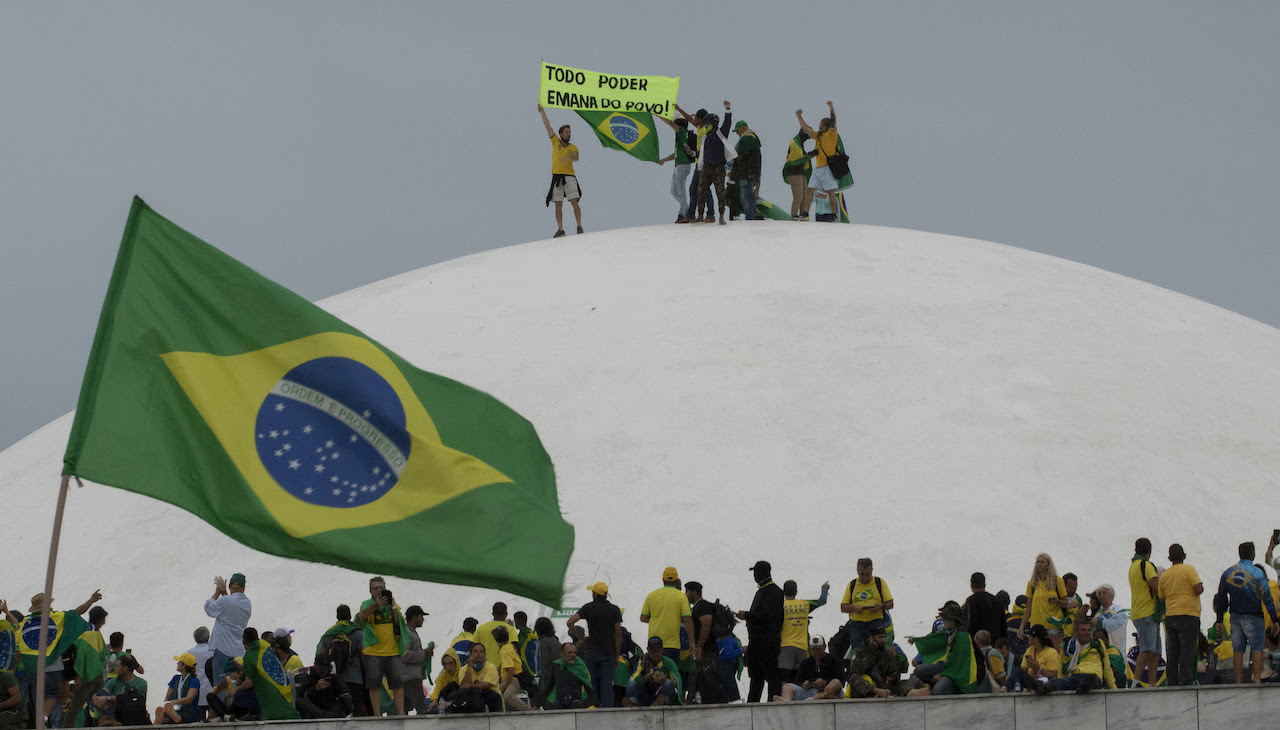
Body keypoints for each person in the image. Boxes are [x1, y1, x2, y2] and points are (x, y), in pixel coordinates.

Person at [18, 589, 100, 727]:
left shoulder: (26, 621)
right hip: (52, 665)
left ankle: (34, 721)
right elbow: (77, 612)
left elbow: (17, 633)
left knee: (36, 696)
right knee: (52, 693)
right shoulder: (56, 617)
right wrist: (91, 600)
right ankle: (42, 719)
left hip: (33, 667)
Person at [1214, 540, 1280, 684]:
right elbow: (1267, 598)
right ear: (1253, 555)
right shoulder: (1257, 573)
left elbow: (1221, 598)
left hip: (1235, 616)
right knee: (1257, 647)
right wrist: (1274, 620)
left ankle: (1238, 681)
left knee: (1238, 649)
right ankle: (1257, 678)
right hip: (1254, 616)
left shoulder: (1228, 573)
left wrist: (1219, 620)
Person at [907, 602, 985, 695]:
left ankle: (955, 690)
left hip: (959, 673)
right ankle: (934, 684)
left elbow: (958, 662)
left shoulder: (962, 636)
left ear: (953, 620)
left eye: (945, 619)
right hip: (947, 667)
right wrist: (915, 639)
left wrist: (943, 674)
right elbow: (933, 640)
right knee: (919, 670)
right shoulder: (950, 633)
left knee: (938, 690)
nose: (943, 620)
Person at [358, 576, 408, 715]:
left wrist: (392, 606)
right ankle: (377, 715)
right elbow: (361, 617)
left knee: (398, 684)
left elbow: (400, 623)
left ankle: (401, 713)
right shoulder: (367, 603)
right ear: (370, 590)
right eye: (376, 588)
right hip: (373, 650)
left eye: (382, 588)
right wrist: (376, 606)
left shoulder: (393, 604)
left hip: (392, 650)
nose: (380, 590)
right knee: (374, 685)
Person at [567, 581, 621, 707]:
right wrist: (617, 655)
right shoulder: (614, 610)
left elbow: (570, 622)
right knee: (607, 684)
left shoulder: (588, 607)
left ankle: (593, 708)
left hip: (592, 651)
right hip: (609, 652)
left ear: (595, 594)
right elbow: (618, 633)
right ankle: (607, 712)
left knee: (591, 683)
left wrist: (581, 637)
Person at [737, 560, 784, 703]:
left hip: (767, 641)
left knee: (771, 676)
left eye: (756, 572)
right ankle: (753, 704)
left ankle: (772, 704)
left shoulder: (774, 591)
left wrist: (747, 616)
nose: (755, 576)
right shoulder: (762, 590)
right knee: (756, 677)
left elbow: (766, 616)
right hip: (756, 641)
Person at [1158, 543, 1204, 686]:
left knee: (1172, 650)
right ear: (1184, 556)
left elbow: (1161, 598)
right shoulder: (1189, 569)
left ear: (1169, 558)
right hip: (1189, 614)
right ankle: (1186, 680)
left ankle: (1172, 680)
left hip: (1171, 616)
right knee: (1187, 649)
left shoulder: (1164, 575)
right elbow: (1199, 589)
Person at [1035, 616, 1117, 694]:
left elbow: (1107, 667)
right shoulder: (1067, 646)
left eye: (1089, 630)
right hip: (1074, 677)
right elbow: (1061, 668)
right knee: (1055, 682)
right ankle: (1040, 687)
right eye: (1084, 630)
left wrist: (1114, 689)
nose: (1087, 633)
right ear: (1076, 632)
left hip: (1094, 677)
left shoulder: (1097, 643)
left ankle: (1084, 686)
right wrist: (1059, 682)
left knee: (1090, 679)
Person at [60, 604, 110, 728]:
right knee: (76, 707)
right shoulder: (90, 633)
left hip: (92, 674)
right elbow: (82, 656)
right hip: (88, 676)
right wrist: (79, 676)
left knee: (99, 705)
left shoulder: (89, 630)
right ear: (101, 618)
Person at [537, 104, 582, 238]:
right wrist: (542, 111)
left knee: (574, 201)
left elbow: (576, 157)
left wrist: (566, 157)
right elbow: (547, 125)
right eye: (566, 132)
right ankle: (560, 229)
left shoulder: (573, 147)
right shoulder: (555, 142)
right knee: (558, 204)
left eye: (569, 132)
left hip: (569, 176)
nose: (569, 134)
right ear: (561, 134)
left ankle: (579, 226)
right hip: (557, 177)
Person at [203, 573, 250, 699]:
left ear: (229, 586)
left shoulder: (225, 601)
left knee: (222, 685)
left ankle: (222, 710)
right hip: (239, 652)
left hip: (223, 650)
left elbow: (209, 608)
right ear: (243, 588)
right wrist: (224, 594)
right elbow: (230, 607)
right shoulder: (247, 604)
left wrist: (218, 592)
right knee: (236, 682)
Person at [640, 568, 696, 671]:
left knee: (654, 675)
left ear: (663, 580)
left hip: (654, 642)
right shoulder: (681, 597)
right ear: (676, 581)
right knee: (671, 674)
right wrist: (692, 642)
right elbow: (687, 621)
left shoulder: (652, 596)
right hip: (672, 644)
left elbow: (643, 618)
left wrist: (657, 619)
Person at [839, 558, 895, 656]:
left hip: (876, 622)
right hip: (857, 624)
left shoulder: (879, 582)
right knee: (858, 652)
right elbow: (843, 607)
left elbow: (890, 604)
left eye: (868, 574)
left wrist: (880, 607)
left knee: (878, 652)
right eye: (862, 574)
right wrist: (853, 608)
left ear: (872, 571)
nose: (865, 578)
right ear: (857, 571)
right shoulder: (852, 584)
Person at [317, 604, 366, 715]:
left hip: (335, 679)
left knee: (339, 710)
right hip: (355, 677)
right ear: (350, 616)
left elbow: (322, 655)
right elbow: (364, 656)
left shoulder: (328, 634)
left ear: (337, 616)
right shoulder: (357, 633)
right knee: (356, 708)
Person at [692, 101, 734, 225]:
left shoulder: (720, 134)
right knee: (701, 190)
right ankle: (700, 215)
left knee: (720, 190)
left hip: (718, 167)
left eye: (707, 124)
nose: (705, 126)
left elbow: (727, 124)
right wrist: (694, 154)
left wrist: (728, 110)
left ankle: (721, 215)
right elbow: (702, 153)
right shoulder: (706, 138)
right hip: (706, 167)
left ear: (712, 124)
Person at [779, 580, 829, 683]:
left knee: (784, 681)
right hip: (802, 647)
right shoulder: (805, 604)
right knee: (799, 681)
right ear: (796, 592)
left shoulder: (780, 606)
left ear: (783, 592)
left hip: (785, 646)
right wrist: (824, 588)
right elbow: (822, 601)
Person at [1128, 537, 1163, 687]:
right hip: (1147, 612)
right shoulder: (1146, 566)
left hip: (1140, 612)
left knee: (1155, 650)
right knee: (1147, 649)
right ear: (1149, 551)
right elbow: (1156, 587)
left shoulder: (1133, 566)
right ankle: (1136, 682)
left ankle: (1152, 683)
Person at [796, 102, 840, 213]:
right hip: (818, 168)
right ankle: (805, 213)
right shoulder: (818, 136)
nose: (819, 126)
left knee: (830, 192)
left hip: (827, 168)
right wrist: (799, 117)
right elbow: (807, 129)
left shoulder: (831, 134)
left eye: (821, 124)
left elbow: (833, 121)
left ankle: (834, 214)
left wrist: (831, 108)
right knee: (810, 190)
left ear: (824, 125)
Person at [845, 624, 911, 698]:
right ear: (871, 637)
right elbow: (856, 670)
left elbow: (894, 672)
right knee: (854, 678)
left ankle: (912, 694)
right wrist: (871, 653)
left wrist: (892, 677)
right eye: (880, 637)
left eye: (884, 637)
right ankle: (877, 692)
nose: (883, 640)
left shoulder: (886, 653)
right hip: (866, 688)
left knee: (906, 683)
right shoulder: (859, 651)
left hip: (883, 686)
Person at [1017, 553, 1068, 649]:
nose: (1039, 564)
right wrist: (1022, 626)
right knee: (1036, 656)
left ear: (1048, 565)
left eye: (1042, 562)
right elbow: (1028, 607)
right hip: (1036, 625)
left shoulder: (1057, 581)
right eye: (1038, 562)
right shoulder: (1032, 583)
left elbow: (1066, 603)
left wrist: (1057, 602)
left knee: (1055, 655)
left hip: (1053, 625)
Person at [774, 635, 842, 701]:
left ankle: (816, 698)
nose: (816, 653)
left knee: (836, 682)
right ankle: (787, 701)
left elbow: (841, 681)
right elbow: (798, 681)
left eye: (818, 649)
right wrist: (808, 684)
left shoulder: (835, 660)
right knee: (787, 686)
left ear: (824, 647)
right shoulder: (805, 663)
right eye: (813, 650)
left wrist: (824, 682)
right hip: (809, 693)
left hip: (828, 692)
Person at [657, 115, 698, 223]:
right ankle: (688, 211)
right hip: (679, 165)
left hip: (682, 166)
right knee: (674, 191)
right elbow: (676, 154)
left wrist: (658, 114)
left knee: (681, 191)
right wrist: (664, 160)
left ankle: (682, 214)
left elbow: (670, 123)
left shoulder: (681, 132)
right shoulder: (681, 137)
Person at [539, 641, 598, 710]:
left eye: (574, 652)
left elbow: (589, 688)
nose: (572, 655)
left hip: (575, 702)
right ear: (562, 654)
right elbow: (549, 687)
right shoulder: (556, 665)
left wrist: (595, 703)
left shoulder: (579, 666)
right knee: (550, 706)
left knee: (578, 705)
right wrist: (538, 704)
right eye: (569, 653)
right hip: (559, 701)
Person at [93, 654, 148, 726]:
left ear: (125, 669)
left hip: (132, 714)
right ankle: (111, 719)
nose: (115, 669)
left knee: (124, 700)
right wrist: (95, 698)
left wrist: (108, 698)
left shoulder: (140, 683)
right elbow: (102, 693)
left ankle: (110, 719)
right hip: (116, 712)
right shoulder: (115, 680)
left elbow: (129, 699)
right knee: (101, 693)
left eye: (117, 666)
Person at [623, 638, 680, 707]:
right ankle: (633, 702)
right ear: (647, 649)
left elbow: (678, 681)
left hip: (662, 693)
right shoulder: (642, 660)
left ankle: (659, 703)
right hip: (645, 694)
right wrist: (648, 676)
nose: (655, 654)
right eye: (652, 650)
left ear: (662, 650)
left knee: (669, 684)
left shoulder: (669, 662)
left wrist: (664, 680)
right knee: (631, 684)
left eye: (658, 650)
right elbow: (635, 679)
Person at [447, 644, 502, 714]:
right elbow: (463, 685)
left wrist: (471, 686)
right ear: (470, 654)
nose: (478, 654)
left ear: (485, 655)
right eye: (475, 652)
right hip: (472, 698)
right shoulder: (464, 669)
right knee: (454, 695)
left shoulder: (490, 667)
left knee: (493, 696)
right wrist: (469, 667)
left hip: (488, 695)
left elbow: (485, 685)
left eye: (481, 652)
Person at [296, 652, 353, 718]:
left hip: (332, 708)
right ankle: (325, 716)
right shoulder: (308, 677)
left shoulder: (333, 677)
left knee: (348, 703)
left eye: (325, 669)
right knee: (299, 702)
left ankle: (326, 716)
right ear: (315, 665)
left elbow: (345, 692)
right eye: (320, 669)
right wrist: (316, 689)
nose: (323, 672)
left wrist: (344, 697)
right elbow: (302, 696)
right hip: (315, 708)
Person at [1003, 625, 1058, 692]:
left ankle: (1005, 689)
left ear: (1036, 639)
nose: (1028, 638)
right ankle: (1004, 689)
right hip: (1032, 682)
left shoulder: (1051, 653)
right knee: (1018, 670)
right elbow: (1022, 670)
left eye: (1030, 636)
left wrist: (1038, 668)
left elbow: (1054, 676)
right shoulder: (1030, 650)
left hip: (1045, 684)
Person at [155, 653, 201, 724]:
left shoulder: (194, 680)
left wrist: (174, 702)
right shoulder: (175, 678)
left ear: (184, 665)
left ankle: (168, 719)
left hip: (189, 712)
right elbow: (167, 697)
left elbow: (189, 699)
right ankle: (168, 717)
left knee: (175, 717)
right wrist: (166, 705)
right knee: (166, 715)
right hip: (176, 710)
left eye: (179, 662)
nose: (177, 663)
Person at [400, 605, 429, 714]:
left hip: (408, 677)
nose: (423, 619)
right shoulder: (407, 633)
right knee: (421, 708)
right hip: (410, 678)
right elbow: (404, 655)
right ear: (414, 617)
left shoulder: (411, 632)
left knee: (402, 709)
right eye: (421, 616)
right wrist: (424, 653)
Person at [1089, 584, 1130, 659]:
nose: (1101, 596)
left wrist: (1099, 622)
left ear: (1112, 595)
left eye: (1104, 593)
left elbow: (1118, 625)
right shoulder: (1098, 612)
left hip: (1114, 649)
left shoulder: (1118, 610)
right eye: (1099, 594)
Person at [493, 625, 529, 711]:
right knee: (494, 693)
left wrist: (504, 685)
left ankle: (527, 710)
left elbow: (511, 669)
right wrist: (492, 676)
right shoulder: (509, 646)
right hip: (511, 678)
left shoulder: (504, 650)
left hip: (514, 679)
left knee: (507, 695)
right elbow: (503, 665)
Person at [732, 120, 762, 221]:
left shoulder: (747, 139)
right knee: (746, 197)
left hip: (746, 173)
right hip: (751, 173)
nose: (736, 133)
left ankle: (750, 219)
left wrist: (733, 161)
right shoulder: (753, 137)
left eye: (737, 130)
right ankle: (750, 217)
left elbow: (742, 157)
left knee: (746, 198)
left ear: (744, 127)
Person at [781, 129, 813, 220]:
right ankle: (794, 217)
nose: (807, 139)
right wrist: (809, 155)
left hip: (800, 173)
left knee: (803, 196)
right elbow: (797, 158)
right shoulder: (794, 142)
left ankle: (802, 216)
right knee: (798, 196)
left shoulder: (799, 143)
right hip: (794, 173)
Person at [964, 573, 1005, 642]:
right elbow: (1003, 625)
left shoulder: (971, 600)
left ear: (971, 585)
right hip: (996, 643)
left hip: (980, 643)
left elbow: (971, 623)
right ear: (984, 584)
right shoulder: (996, 600)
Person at [185, 626, 214, 720]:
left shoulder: (190, 652)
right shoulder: (212, 651)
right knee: (213, 717)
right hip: (210, 686)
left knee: (199, 717)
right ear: (208, 637)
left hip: (196, 687)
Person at [427, 649, 461, 715]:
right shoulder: (443, 675)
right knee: (427, 702)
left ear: (456, 663)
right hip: (444, 700)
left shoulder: (462, 673)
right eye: (445, 664)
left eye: (451, 663)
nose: (448, 667)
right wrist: (435, 700)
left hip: (458, 701)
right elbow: (437, 690)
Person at [533, 617, 560, 693]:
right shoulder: (556, 640)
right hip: (558, 676)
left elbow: (543, 663)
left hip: (547, 679)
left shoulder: (542, 643)